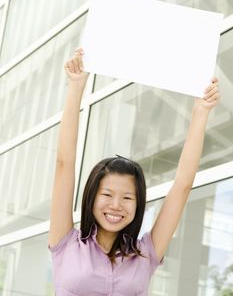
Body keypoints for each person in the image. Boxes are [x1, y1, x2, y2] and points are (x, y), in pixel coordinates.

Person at [48, 47, 220, 296]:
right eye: (107, 194)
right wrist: (76, 88)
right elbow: (64, 164)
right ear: (92, 197)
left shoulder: (146, 254)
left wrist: (200, 113)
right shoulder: (67, 244)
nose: (116, 205)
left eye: (127, 197)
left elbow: (182, 186)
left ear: (138, 204)